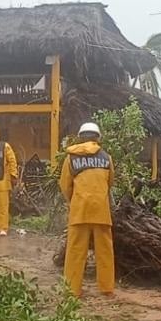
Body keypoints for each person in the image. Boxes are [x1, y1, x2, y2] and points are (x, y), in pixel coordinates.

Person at [59, 122, 115, 297]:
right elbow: (110, 182)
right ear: (98, 138)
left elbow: (65, 185)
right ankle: (106, 289)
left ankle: (72, 289)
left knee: (75, 250)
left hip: (79, 210)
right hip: (101, 210)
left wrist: (73, 201)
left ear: (80, 137)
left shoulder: (71, 158)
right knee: (104, 251)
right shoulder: (106, 158)